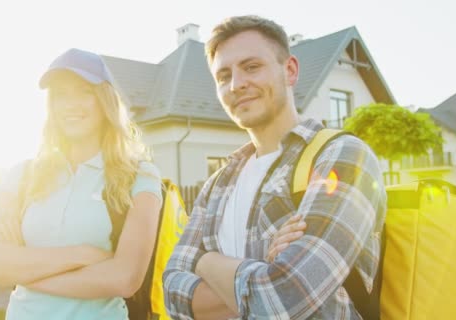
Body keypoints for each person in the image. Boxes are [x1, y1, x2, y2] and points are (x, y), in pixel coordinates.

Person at [163, 15, 387, 319]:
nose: (237, 84)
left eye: (252, 67)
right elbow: (172, 292)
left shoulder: (341, 156)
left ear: (290, 70)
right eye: (223, 76)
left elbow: (283, 298)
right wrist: (264, 272)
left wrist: (205, 262)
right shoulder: (218, 183)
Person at [0, 48, 163, 319]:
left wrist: (22, 271)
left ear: (104, 100)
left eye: (84, 91)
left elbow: (125, 278)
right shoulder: (22, 175)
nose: (71, 104)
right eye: (61, 95)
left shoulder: (140, 175)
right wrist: (82, 254)